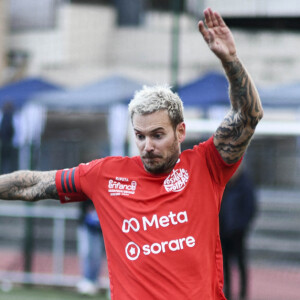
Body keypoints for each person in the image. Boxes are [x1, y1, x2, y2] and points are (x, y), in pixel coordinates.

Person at [0, 8, 263, 300]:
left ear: (180, 132)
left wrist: (230, 61)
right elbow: (32, 184)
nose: (147, 145)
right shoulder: (105, 175)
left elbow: (248, 116)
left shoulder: (206, 165)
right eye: (140, 136)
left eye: (157, 135)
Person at [220, 165, 257, 300]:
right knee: (225, 264)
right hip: (223, 231)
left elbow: (250, 207)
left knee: (241, 263)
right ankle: (228, 292)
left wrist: (241, 226)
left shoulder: (245, 183)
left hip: (238, 232)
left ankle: (242, 293)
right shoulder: (223, 184)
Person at [76, 200, 105, 295]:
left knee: (96, 256)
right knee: (87, 253)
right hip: (86, 226)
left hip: (99, 229)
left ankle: (94, 280)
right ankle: (86, 279)